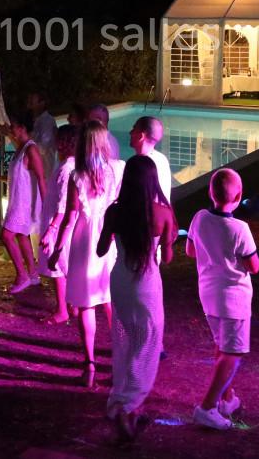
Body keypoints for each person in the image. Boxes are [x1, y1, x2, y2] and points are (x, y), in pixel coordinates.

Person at [98, 155, 176, 442]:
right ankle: (128, 407)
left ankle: (121, 400)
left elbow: (100, 250)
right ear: (152, 181)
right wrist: (163, 244)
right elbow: (166, 258)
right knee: (147, 344)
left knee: (124, 340)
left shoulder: (115, 212)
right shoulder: (163, 213)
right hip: (146, 283)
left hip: (119, 280)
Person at [48, 121, 124, 384]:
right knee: (110, 300)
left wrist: (57, 251)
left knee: (86, 303)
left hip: (83, 242)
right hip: (108, 237)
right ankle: (119, 361)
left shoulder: (77, 175)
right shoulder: (118, 169)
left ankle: (89, 365)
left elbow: (70, 218)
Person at [186, 168, 259, 431]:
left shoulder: (199, 218)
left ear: (210, 192)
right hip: (233, 299)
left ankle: (226, 398)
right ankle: (206, 407)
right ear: (239, 195)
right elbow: (254, 266)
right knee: (232, 353)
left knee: (221, 345)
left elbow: (190, 250)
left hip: (208, 294)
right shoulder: (240, 228)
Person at [38, 124, 78, 324]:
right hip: (63, 224)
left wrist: (51, 230)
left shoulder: (66, 169)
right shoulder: (74, 166)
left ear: (63, 144)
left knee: (58, 269)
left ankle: (62, 309)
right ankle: (72, 305)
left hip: (59, 224)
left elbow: (62, 205)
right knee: (65, 267)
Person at [3, 111, 46, 294]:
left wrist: (46, 206)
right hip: (16, 199)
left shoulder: (31, 149)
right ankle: (33, 273)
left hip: (24, 203)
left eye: (13, 126)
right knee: (21, 235)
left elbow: (41, 178)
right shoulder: (20, 147)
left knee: (7, 235)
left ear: (21, 128)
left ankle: (22, 275)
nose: (11, 128)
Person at [129, 115, 171, 203]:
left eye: (134, 128)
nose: (130, 132)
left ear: (141, 136)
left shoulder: (141, 166)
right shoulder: (162, 159)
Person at [27, 91, 58, 166]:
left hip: (44, 169)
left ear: (42, 103)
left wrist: (26, 139)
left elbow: (43, 148)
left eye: (32, 102)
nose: (29, 105)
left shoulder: (47, 121)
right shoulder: (35, 121)